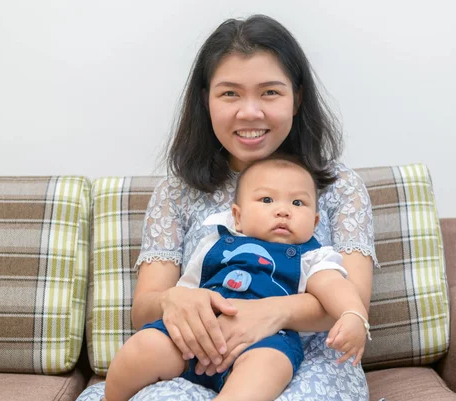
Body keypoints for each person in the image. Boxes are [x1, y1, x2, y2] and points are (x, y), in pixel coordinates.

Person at [78, 13, 377, 401]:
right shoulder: (177, 192)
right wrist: (175, 300)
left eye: (270, 92)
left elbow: (351, 302)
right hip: (197, 354)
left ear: (296, 97)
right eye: (230, 93)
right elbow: (145, 311)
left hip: (309, 360)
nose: (250, 113)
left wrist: (275, 312)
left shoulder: (340, 187)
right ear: (207, 100)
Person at [103, 156, 372, 401]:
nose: (283, 210)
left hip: (267, 340)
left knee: (269, 366)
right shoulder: (213, 244)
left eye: (297, 202)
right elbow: (186, 293)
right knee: (144, 346)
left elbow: (334, 286)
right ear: (238, 217)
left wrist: (352, 314)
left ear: (314, 223)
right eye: (267, 200)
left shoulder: (312, 256)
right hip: (199, 336)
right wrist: (184, 312)